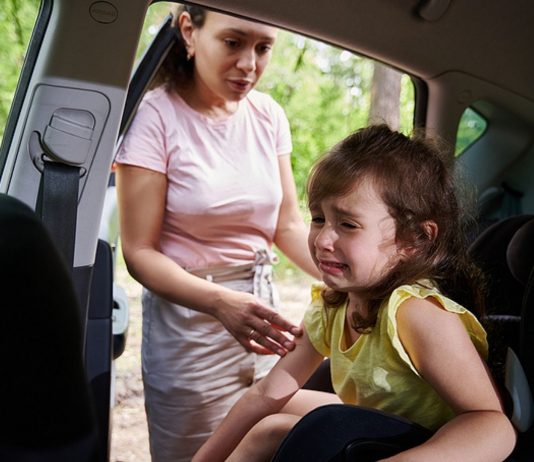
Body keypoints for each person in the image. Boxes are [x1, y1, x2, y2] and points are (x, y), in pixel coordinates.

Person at [192, 125, 517, 462]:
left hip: (430, 444)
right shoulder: (333, 306)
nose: (321, 241)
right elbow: (267, 393)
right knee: (274, 405)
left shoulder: (416, 312)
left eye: (347, 225)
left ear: (414, 239)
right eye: (318, 219)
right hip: (379, 422)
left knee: (269, 432)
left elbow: (492, 424)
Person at [115, 5, 319, 462]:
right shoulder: (155, 116)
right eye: (233, 42)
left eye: (264, 48)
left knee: (263, 449)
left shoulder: (268, 115)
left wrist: (354, 277)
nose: (250, 64)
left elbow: (285, 225)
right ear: (190, 30)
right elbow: (139, 251)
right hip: (190, 333)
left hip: (265, 322)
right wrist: (220, 303)